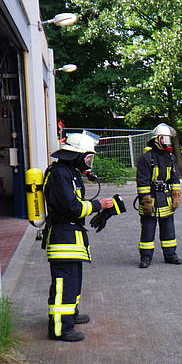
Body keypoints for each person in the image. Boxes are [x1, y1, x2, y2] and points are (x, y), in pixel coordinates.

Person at [43, 131, 114, 342]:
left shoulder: (69, 172)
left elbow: (76, 205)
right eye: (87, 157)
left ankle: (70, 315)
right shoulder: (58, 174)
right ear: (76, 155)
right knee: (64, 284)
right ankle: (60, 329)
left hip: (72, 235)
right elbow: (72, 207)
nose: (88, 162)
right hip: (62, 235)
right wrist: (98, 205)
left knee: (73, 282)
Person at [136, 123, 182, 268]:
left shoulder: (171, 157)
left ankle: (170, 255)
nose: (167, 142)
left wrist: (176, 195)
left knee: (169, 229)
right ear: (157, 139)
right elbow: (142, 181)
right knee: (148, 230)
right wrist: (146, 200)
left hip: (166, 199)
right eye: (164, 139)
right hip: (151, 199)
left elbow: (175, 178)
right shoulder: (146, 158)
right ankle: (146, 257)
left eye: (168, 139)